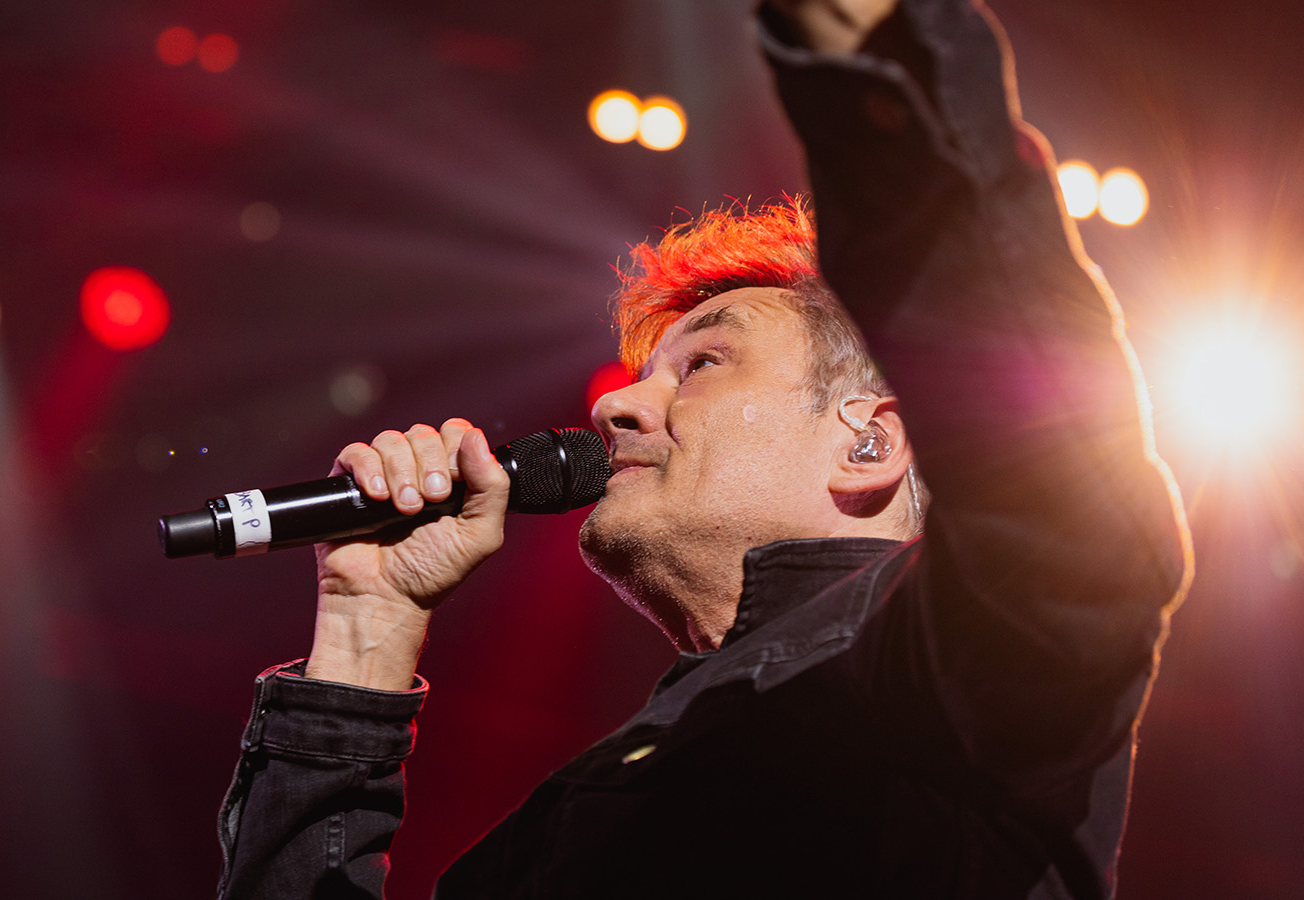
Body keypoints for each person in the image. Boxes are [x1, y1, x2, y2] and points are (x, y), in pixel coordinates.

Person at [216, 0, 1192, 896]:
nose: (617, 409)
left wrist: (877, 73)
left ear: (870, 443)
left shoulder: (959, 683)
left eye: (704, 364)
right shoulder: (562, 825)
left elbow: (1053, 486)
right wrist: (361, 631)